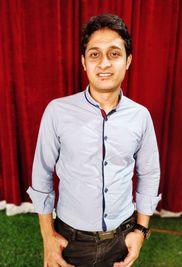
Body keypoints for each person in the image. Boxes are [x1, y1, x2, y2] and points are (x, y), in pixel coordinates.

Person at [27, 13, 161, 267]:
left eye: (114, 53)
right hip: (70, 240)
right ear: (83, 62)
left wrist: (140, 232)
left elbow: (150, 173)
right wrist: (48, 237)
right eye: (95, 54)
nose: (104, 64)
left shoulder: (141, 116)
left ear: (128, 61)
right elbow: (42, 175)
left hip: (121, 239)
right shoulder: (57, 111)